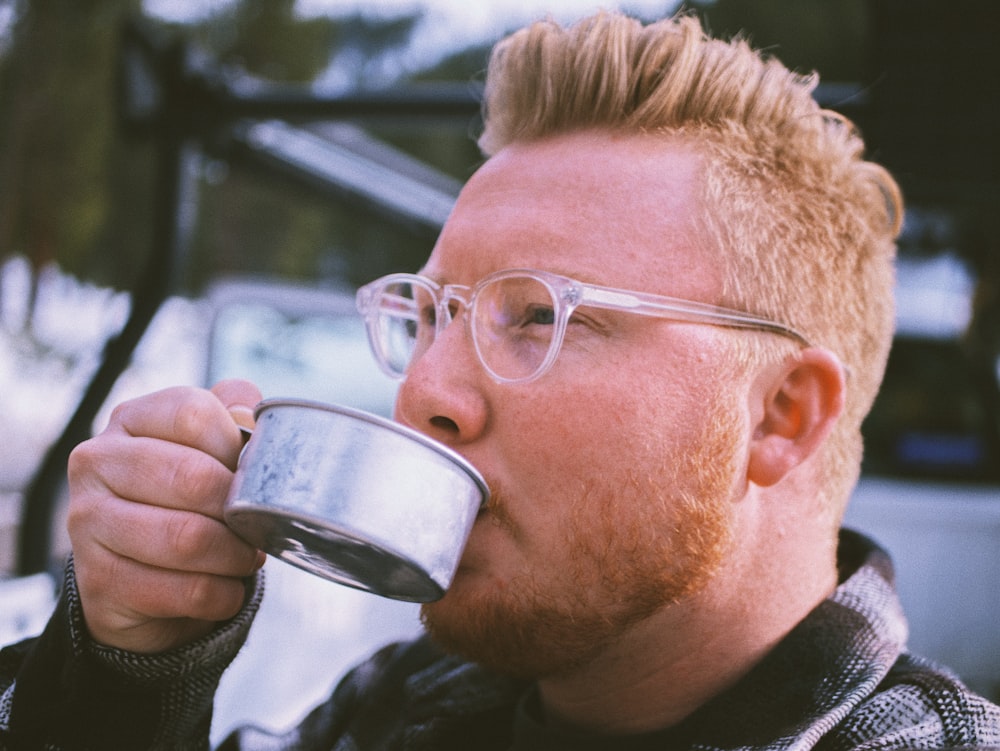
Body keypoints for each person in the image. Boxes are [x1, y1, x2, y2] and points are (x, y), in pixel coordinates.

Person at [2, 10, 999, 750]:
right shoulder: (411, 702)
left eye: (536, 315)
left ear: (779, 415)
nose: (424, 391)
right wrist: (128, 675)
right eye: (429, 314)